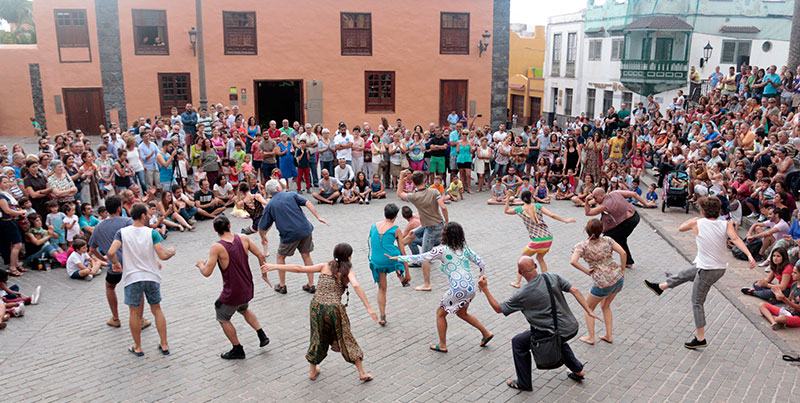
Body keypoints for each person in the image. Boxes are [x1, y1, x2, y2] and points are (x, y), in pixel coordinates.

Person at [644, 197, 756, 349]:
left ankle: (700, 338)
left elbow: (681, 228)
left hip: (708, 269)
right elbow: (735, 238)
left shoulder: (697, 222)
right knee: (687, 273)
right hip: (719, 268)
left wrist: (695, 218)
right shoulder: (725, 223)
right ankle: (661, 287)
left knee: (697, 302)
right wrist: (749, 255)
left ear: (703, 211)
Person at [476, 257, 601, 391]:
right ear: (535, 265)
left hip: (550, 333)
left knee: (518, 342)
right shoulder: (551, 276)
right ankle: (578, 370)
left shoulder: (523, 294)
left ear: (519, 271)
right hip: (570, 327)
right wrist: (589, 310)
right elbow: (575, 290)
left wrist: (485, 288)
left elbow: (498, 308)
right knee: (559, 339)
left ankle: (524, 383)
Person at [261, 243, 378, 382]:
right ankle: (362, 372)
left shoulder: (325, 266)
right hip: (334, 309)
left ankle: (312, 370)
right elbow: (357, 285)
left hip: (317, 306)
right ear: (349, 257)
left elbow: (300, 268)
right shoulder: (348, 272)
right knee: (346, 337)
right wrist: (369, 308)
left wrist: (274, 266)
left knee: (317, 336)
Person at [390, 222, 493, 352]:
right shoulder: (465, 249)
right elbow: (481, 263)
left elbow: (420, 258)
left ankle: (442, 344)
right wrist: (481, 278)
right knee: (462, 313)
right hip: (470, 288)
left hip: (458, 289)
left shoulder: (441, 250)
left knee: (440, 313)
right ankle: (486, 333)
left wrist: (399, 258)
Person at [107, 203, 177, 357]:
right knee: (156, 309)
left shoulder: (122, 233)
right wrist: (171, 251)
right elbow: (162, 255)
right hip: (151, 276)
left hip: (132, 277)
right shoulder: (151, 233)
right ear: (144, 216)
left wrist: (116, 263)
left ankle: (138, 347)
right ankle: (164, 344)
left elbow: (111, 251)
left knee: (134, 312)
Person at [196, 216, 271, 359]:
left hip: (233, 291)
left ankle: (237, 349)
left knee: (222, 315)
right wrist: (264, 274)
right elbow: (260, 255)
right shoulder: (243, 238)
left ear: (215, 230)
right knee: (243, 308)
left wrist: (200, 264)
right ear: (230, 226)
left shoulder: (217, 247)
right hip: (247, 287)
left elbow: (207, 272)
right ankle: (262, 335)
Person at [89, 196, 153, 329]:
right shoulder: (127, 221)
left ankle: (115, 318)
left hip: (114, 263)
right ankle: (139, 320)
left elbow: (92, 249)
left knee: (109, 286)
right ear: (119, 208)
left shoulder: (99, 226)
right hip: (131, 263)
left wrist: (103, 258)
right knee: (138, 290)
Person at [258, 179, 328, 294]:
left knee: (280, 257)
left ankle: (282, 285)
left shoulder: (270, 205)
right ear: (278, 188)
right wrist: (318, 216)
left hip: (289, 235)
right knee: (306, 255)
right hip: (305, 229)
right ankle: (311, 284)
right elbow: (307, 203)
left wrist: (263, 237)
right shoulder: (291, 195)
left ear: (269, 192)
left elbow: (262, 226)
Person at [570, 219, 626, 345]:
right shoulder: (608, 240)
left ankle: (591, 337)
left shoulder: (582, 246)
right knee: (606, 306)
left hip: (602, 283)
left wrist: (586, 271)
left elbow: (573, 261)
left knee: (588, 308)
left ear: (587, 230)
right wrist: (622, 269)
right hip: (617, 279)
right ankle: (609, 335)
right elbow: (623, 252)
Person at [506, 190, 575, 287]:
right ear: (531, 197)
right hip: (548, 237)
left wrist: (508, 197)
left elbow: (506, 211)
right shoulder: (538, 206)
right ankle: (547, 281)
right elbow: (552, 215)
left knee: (522, 259)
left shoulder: (519, 209)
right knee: (540, 258)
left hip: (536, 240)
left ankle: (517, 282)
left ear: (522, 199)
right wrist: (566, 220)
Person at [397, 170, 448, 291]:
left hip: (431, 228)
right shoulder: (434, 191)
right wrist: (446, 221)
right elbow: (443, 207)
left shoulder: (414, 196)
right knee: (411, 234)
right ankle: (398, 249)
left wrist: (401, 177)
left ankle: (427, 284)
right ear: (425, 181)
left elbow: (399, 193)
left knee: (425, 256)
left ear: (413, 183)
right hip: (432, 224)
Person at [584, 188, 653, 268]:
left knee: (607, 238)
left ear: (602, 196)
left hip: (627, 222)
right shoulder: (615, 193)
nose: (595, 200)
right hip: (635, 216)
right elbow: (634, 194)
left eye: (596, 198)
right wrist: (646, 204)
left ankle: (604, 261)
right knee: (621, 239)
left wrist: (586, 200)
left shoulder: (605, 205)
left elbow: (588, 212)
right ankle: (628, 261)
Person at [368, 204, 410, 326]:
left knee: (382, 288)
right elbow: (403, 252)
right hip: (390, 259)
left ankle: (382, 316)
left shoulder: (373, 226)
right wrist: (408, 271)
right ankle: (402, 276)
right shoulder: (396, 229)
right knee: (397, 256)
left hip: (376, 260)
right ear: (396, 216)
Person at [758, 264, 800, 329]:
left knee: (781, 318)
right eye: (792, 272)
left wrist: (784, 299)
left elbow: (798, 308)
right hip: (789, 312)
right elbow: (790, 301)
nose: (792, 274)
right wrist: (780, 296)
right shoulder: (794, 284)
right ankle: (774, 322)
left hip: (798, 317)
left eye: (795, 273)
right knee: (762, 305)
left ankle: (774, 318)